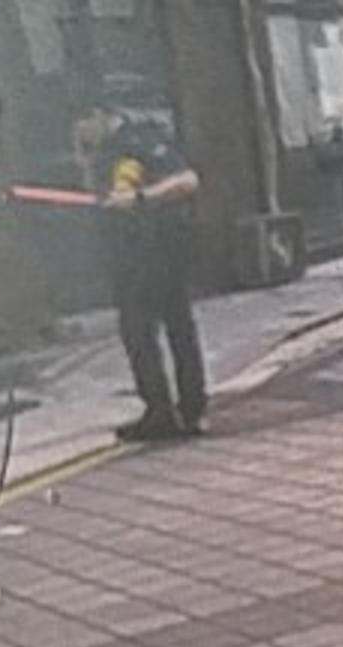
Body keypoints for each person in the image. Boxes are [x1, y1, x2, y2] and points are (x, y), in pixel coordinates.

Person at [74, 97, 207, 442]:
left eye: (81, 125)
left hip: (157, 248)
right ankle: (165, 409)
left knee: (158, 328)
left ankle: (183, 408)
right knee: (143, 333)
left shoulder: (138, 140)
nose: (80, 133)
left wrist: (141, 199)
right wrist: (86, 158)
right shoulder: (105, 150)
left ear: (98, 114)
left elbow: (187, 180)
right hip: (130, 255)